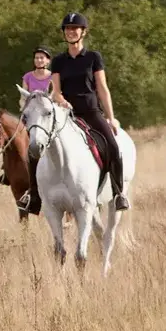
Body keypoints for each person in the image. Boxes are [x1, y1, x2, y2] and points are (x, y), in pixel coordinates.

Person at [19, 12, 129, 214]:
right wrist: (62, 101)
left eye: (74, 28)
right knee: (35, 150)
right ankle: (34, 197)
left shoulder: (94, 58)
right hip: (66, 115)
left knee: (113, 146)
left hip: (91, 111)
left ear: (83, 32)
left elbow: (103, 88)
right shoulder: (59, 61)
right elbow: (57, 91)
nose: (70, 32)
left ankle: (118, 192)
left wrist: (111, 117)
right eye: (67, 29)